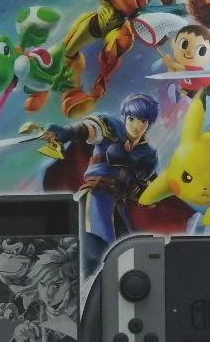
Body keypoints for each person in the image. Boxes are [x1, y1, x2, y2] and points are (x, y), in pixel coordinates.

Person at [47, 92, 159, 274]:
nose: (136, 126)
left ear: (148, 123)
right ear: (124, 117)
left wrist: (141, 187)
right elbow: (90, 129)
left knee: (126, 255)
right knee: (93, 252)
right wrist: (69, 132)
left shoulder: (147, 155)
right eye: (132, 119)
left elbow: (144, 190)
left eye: (143, 121)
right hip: (95, 198)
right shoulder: (112, 128)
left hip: (118, 208)